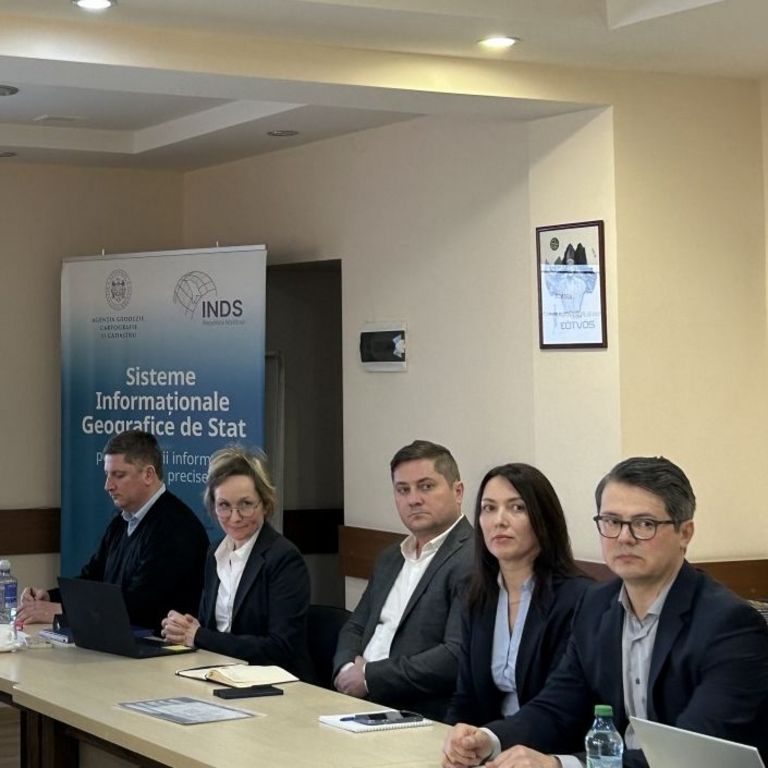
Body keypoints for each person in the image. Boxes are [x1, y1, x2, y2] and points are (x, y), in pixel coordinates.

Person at [442, 456, 768, 768]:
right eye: (611, 522)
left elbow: (692, 754)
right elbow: (557, 707)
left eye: (644, 524)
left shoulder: (730, 625)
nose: (624, 538)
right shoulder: (596, 605)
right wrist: (489, 738)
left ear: (685, 533)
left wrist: (561, 764)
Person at [332, 439, 473, 721]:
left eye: (426, 486)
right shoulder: (389, 558)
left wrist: (370, 677)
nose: (413, 499)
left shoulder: (474, 559)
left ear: (457, 492)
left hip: (420, 713)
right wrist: (346, 668)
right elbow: (356, 626)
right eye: (402, 490)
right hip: (359, 703)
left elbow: (455, 655)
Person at [18, 430, 208, 632]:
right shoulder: (121, 521)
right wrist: (50, 597)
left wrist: (62, 610)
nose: (108, 485)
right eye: (107, 475)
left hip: (160, 650)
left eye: (118, 475)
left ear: (148, 474)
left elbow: (141, 607)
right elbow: (94, 578)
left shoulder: (175, 528)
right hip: (121, 642)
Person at [445, 464, 591, 726]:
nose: (499, 520)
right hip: (490, 748)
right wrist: (457, 737)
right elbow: (465, 696)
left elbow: (561, 706)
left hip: (547, 750)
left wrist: (492, 740)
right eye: (489, 508)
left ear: (543, 519)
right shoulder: (475, 593)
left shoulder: (578, 598)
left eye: (517, 508)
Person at [162, 446, 313, 680]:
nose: (234, 517)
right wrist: (185, 628)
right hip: (218, 674)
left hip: (273, 685)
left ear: (264, 502)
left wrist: (199, 636)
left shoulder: (284, 559)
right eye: (224, 505)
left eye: (245, 504)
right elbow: (213, 629)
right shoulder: (215, 553)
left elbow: (279, 648)